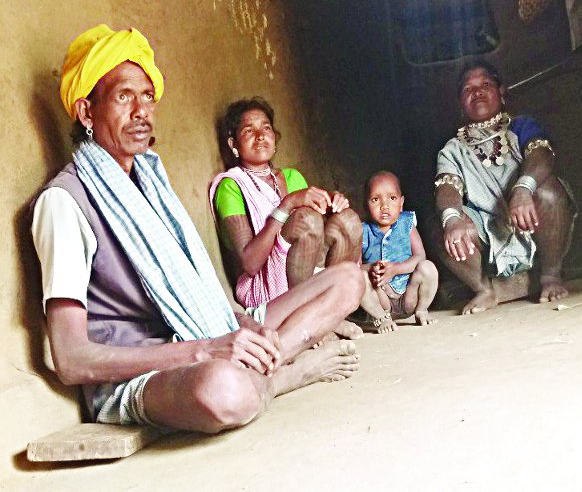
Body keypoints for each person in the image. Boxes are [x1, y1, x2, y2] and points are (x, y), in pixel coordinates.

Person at [31, 25, 364, 433]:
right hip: (147, 374)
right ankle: (285, 376)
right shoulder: (64, 202)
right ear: (86, 113)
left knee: (349, 280)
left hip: (207, 331)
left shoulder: (151, 185)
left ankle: (266, 363)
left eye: (147, 97)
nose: (141, 111)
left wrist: (242, 327)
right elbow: (71, 360)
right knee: (224, 390)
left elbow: (197, 295)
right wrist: (205, 351)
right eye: (123, 97)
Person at [209, 98, 364, 340]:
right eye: (249, 131)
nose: (260, 136)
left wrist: (335, 203)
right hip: (264, 286)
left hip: (302, 270)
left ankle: (331, 312)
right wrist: (287, 204)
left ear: (275, 137)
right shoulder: (231, 186)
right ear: (233, 144)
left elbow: (319, 235)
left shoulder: (292, 177)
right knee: (305, 220)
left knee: (349, 220)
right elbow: (250, 264)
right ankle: (309, 320)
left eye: (266, 128)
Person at [435, 59, 577, 315]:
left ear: (501, 92)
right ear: (460, 103)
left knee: (549, 192)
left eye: (485, 85)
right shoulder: (452, 149)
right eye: (468, 89)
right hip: (488, 231)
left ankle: (550, 275)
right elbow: (448, 186)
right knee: (446, 224)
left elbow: (541, 153)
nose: (477, 92)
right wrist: (452, 219)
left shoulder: (521, 126)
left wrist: (523, 189)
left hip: (529, 219)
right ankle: (484, 289)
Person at [355, 171, 438, 333]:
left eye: (392, 198)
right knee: (359, 278)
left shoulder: (407, 223)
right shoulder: (361, 230)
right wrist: (371, 268)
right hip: (381, 297)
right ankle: (381, 318)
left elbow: (420, 256)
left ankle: (422, 310)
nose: (384, 206)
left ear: (401, 203)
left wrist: (395, 269)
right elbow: (356, 267)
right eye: (375, 199)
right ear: (365, 205)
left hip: (409, 296)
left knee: (428, 267)